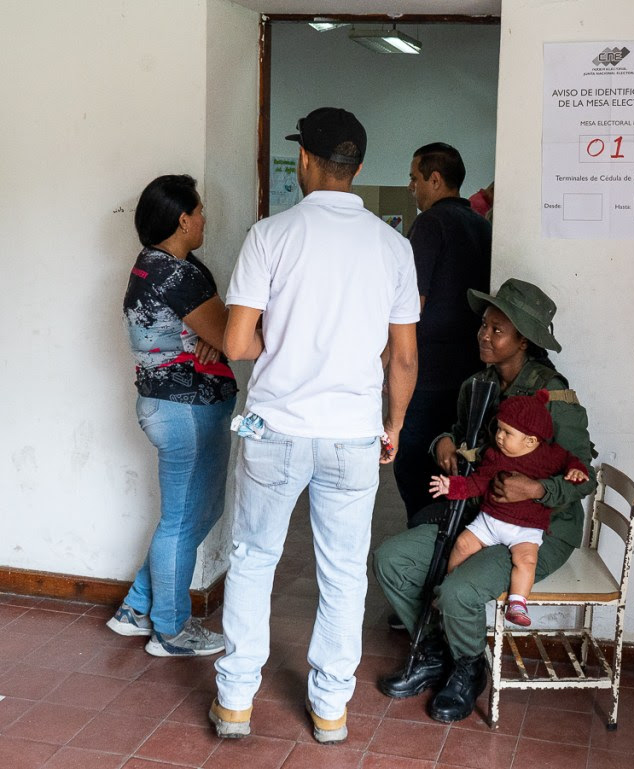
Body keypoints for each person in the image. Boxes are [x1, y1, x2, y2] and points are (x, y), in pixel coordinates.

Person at [208, 108, 419, 744]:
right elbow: (404, 355)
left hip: (276, 429)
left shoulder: (269, 236)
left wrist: (284, 336)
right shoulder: (393, 246)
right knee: (344, 572)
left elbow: (238, 344)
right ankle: (330, 708)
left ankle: (236, 701)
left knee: (251, 560)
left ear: (304, 160)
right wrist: (396, 425)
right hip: (353, 434)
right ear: (355, 167)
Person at [374, 278, 597, 723]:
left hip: (538, 529)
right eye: (484, 325)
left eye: (498, 330)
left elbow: (583, 474)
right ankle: (438, 650)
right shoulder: (477, 385)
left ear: (525, 341)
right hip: (481, 513)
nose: (484, 335)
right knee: (391, 559)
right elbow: (461, 435)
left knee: (458, 590)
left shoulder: (554, 397)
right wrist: (444, 444)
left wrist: (536, 489)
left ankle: (468, 668)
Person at [109, 174, 236, 658]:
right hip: (185, 410)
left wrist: (217, 332)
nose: (205, 218)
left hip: (170, 406)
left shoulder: (152, 265)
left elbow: (219, 333)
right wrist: (221, 333)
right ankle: (171, 629)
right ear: (183, 220)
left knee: (189, 516)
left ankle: (137, 607)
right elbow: (232, 337)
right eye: (200, 211)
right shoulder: (176, 275)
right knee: (182, 521)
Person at [430, 390, 589, 627]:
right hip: (490, 520)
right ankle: (448, 585)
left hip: (526, 527)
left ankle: (517, 603)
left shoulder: (549, 457)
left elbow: (570, 459)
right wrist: (451, 486)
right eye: (499, 429)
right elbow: (478, 483)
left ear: (531, 441)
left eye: (507, 432)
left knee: (526, 561)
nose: (499, 436)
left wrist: (575, 470)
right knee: (462, 545)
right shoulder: (495, 456)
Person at [395, 143, 491, 522]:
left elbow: (411, 304)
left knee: (415, 466)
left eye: (414, 178)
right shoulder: (482, 226)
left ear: (435, 180)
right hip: (471, 371)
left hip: (429, 370)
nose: (411, 187)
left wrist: (389, 362)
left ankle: (421, 550)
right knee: (454, 463)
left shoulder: (430, 224)